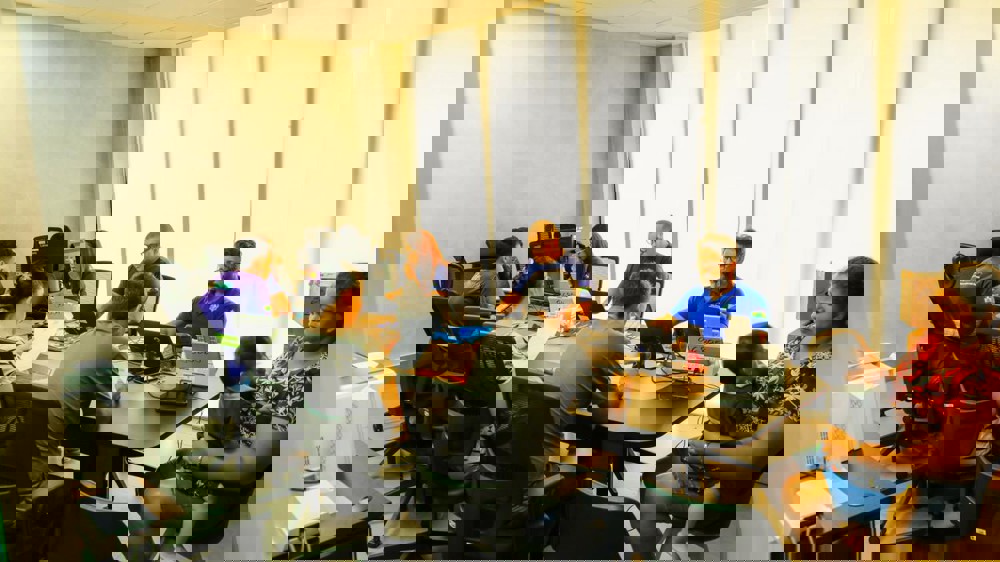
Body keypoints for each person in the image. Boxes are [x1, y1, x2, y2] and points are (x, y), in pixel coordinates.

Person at [632, 258, 883, 559]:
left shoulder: (835, 361)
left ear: (852, 310)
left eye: (833, 294)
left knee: (668, 516)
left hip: (741, 470)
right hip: (723, 449)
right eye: (826, 290)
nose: (821, 300)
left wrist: (724, 456)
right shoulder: (806, 339)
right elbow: (764, 382)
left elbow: (780, 428)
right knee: (653, 496)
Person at [153, 270, 369, 557]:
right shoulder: (299, 343)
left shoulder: (329, 373)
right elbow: (263, 391)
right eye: (311, 303)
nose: (310, 315)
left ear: (346, 318)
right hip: (225, 449)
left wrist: (196, 459)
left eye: (323, 310)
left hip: (241, 474)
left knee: (178, 540)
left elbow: (248, 464)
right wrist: (243, 387)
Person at [669, 232, 772, 342]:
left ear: (737, 259)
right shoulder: (695, 294)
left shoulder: (754, 299)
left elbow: (761, 338)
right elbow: (669, 324)